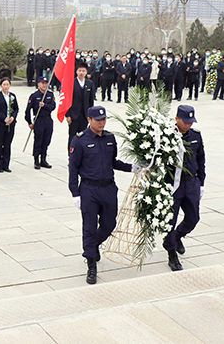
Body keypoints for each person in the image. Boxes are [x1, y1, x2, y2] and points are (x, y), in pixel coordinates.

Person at [69, 105, 139, 284]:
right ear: (89, 120)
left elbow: (113, 161)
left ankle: (93, 245)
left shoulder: (109, 138)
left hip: (108, 188)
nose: (101, 122)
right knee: (89, 228)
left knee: (109, 224)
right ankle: (91, 264)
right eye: (98, 120)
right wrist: (75, 193)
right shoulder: (79, 140)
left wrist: (132, 168)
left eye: (104, 119)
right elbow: (73, 168)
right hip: (89, 190)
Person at [163, 105, 206, 272]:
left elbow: (201, 159)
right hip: (173, 185)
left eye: (191, 122)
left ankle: (177, 236)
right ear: (177, 119)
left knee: (193, 218)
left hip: (191, 183)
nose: (189, 125)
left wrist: (201, 182)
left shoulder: (196, 136)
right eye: (186, 122)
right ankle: (171, 252)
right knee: (170, 220)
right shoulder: (167, 137)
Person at [24, 76, 56, 170]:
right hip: (39, 120)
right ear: (38, 84)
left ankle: (43, 160)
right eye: (42, 83)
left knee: (46, 141)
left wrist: (44, 105)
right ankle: (36, 160)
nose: (44, 85)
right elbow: (27, 110)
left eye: (46, 83)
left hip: (48, 120)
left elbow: (53, 106)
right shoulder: (34, 96)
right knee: (38, 141)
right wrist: (29, 122)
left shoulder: (50, 94)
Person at [65, 64, 94, 151]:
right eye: (79, 70)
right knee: (72, 138)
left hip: (84, 116)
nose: (81, 73)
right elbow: (67, 100)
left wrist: (91, 116)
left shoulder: (90, 83)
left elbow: (91, 101)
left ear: (86, 72)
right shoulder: (71, 82)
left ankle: (81, 157)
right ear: (76, 71)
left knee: (83, 137)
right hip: (74, 115)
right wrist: (68, 115)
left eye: (83, 71)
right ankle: (71, 157)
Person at [0, 77, 18, 173]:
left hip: (11, 124)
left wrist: (12, 117)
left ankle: (6, 165)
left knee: (7, 144)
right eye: (4, 84)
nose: (6, 86)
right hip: (1, 123)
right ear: (1, 85)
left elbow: (16, 108)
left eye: (7, 84)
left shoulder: (13, 96)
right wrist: (4, 118)